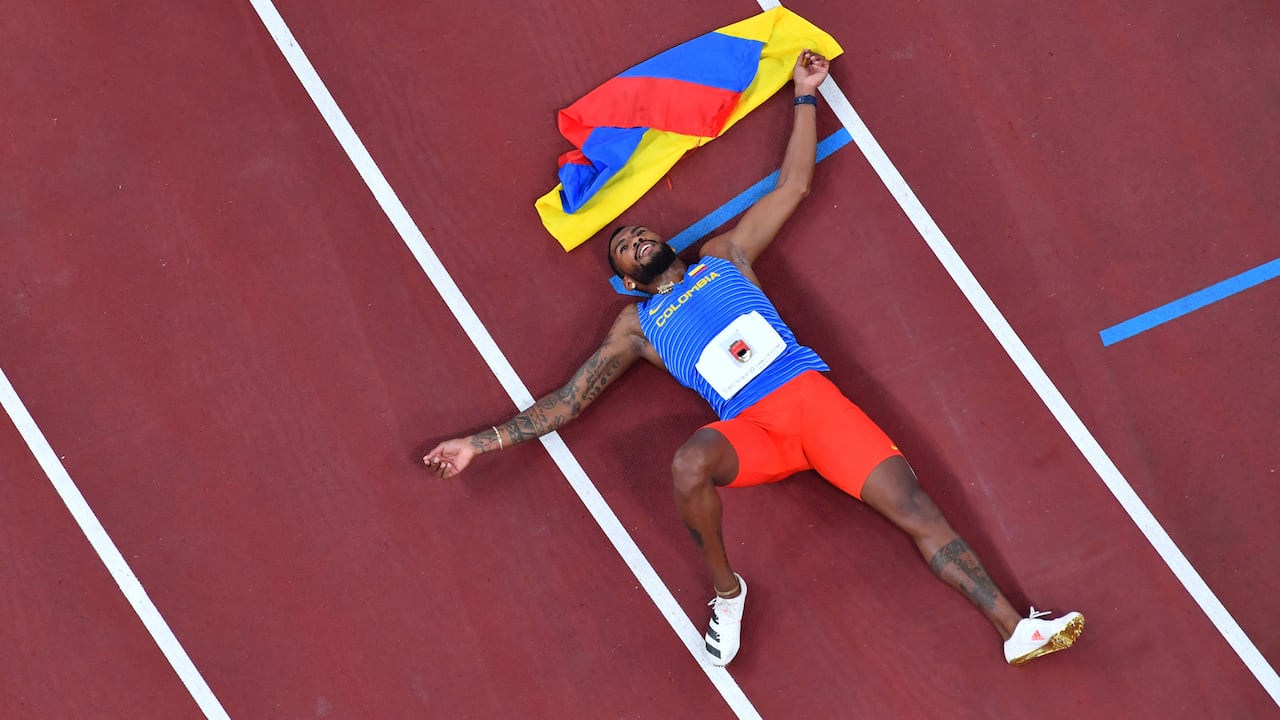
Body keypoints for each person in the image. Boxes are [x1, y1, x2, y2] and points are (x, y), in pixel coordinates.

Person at [423, 50, 1084, 667]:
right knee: (689, 462)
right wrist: (480, 444)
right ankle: (728, 592)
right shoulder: (637, 325)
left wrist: (804, 97)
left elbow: (793, 185)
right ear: (625, 278)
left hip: (815, 405)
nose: (636, 236)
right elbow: (570, 400)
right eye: (624, 244)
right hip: (755, 429)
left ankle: (1016, 629)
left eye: (640, 230)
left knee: (917, 510)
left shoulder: (724, 257)